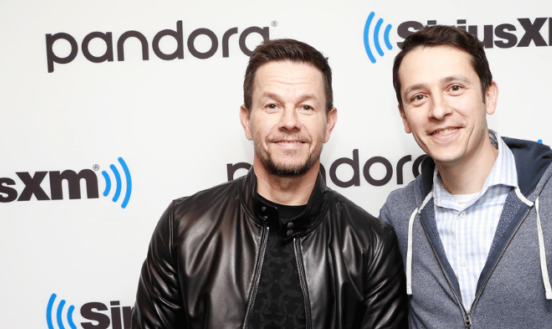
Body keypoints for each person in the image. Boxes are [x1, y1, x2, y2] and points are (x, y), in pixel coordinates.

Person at [132, 39, 407, 329]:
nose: (290, 122)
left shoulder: (371, 244)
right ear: (247, 120)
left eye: (307, 107)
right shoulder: (183, 227)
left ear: (329, 123)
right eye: (272, 105)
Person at [379, 25, 552, 328]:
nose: (438, 110)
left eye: (455, 88)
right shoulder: (398, 214)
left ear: (489, 96)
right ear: (405, 117)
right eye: (419, 97)